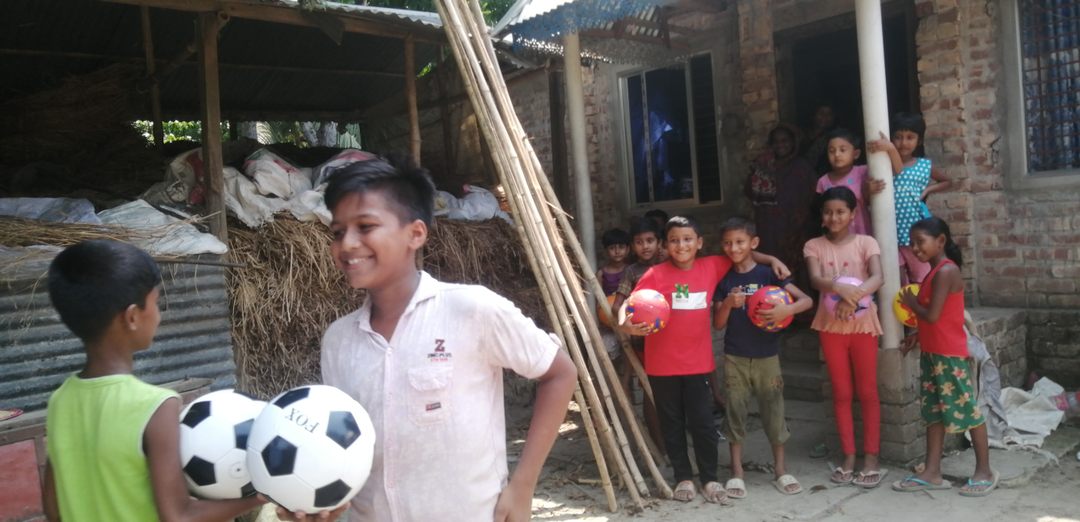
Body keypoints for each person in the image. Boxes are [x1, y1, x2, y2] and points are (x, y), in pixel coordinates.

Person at [312, 157, 577, 522]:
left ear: (415, 234)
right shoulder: (339, 340)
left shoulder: (471, 309)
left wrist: (524, 485)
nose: (348, 244)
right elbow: (344, 439)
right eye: (338, 232)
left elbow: (560, 373)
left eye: (366, 226)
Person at [42, 240, 265, 522]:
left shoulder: (60, 400)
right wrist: (259, 497)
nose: (158, 316)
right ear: (132, 317)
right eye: (155, 303)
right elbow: (179, 516)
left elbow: (53, 508)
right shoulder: (156, 406)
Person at [618, 216, 789, 504]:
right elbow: (627, 305)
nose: (681, 245)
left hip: (698, 364)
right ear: (665, 245)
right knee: (672, 423)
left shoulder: (712, 266)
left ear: (699, 243)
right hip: (661, 365)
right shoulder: (655, 274)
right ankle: (683, 477)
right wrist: (627, 325)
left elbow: (741, 253)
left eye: (687, 239)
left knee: (703, 424)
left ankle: (709, 478)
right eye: (674, 240)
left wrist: (771, 259)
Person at [893, 217, 998, 497]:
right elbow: (936, 319)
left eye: (920, 242)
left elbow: (932, 314)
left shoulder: (946, 271)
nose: (915, 248)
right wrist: (917, 335)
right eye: (912, 243)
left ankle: (985, 471)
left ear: (940, 241)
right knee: (934, 413)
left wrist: (910, 302)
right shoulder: (933, 272)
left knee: (968, 412)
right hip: (933, 354)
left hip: (950, 356)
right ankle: (932, 472)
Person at [713, 217, 813, 499]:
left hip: (767, 355)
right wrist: (728, 304)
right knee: (735, 410)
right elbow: (718, 324)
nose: (734, 248)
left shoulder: (769, 274)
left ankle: (780, 470)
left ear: (753, 243)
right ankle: (737, 472)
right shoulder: (725, 279)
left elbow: (807, 300)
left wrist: (786, 311)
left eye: (740, 242)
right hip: (735, 356)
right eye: (728, 243)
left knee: (773, 410)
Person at [803, 187, 886, 489]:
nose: (834, 217)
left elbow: (878, 277)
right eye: (828, 212)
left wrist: (853, 298)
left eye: (840, 211)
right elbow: (815, 280)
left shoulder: (867, 242)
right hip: (831, 328)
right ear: (822, 216)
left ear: (853, 214)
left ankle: (871, 458)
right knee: (841, 392)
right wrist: (839, 288)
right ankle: (849, 456)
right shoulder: (814, 245)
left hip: (863, 325)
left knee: (868, 391)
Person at [867, 112, 952, 285]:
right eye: (898, 137)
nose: (903, 143)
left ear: (919, 141)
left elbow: (947, 181)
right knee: (896, 280)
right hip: (889, 232)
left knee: (921, 277)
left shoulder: (924, 166)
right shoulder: (883, 165)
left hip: (914, 230)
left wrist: (928, 189)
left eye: (910, 137)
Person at [746, 124, 818, 288]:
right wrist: (758, 171)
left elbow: (814, 195)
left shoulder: (802, 167)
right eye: (776, 141)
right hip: (769, 227)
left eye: (785, 140)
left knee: (798, 267)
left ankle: (801, 301)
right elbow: (750, 192)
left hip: (797, 227)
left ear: (793, 142)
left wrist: (801, 220)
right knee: (772, 265)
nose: (780, 145)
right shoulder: (764, 166)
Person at [817, 128, 873, 236]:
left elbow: (893, 172)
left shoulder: (863, 172)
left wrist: (889, 148)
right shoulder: (823, 182)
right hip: (836, 237)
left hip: (862, 234)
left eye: (842, 150)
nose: (837, 154)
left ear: (856, 154)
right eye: (832, 151)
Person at [803, 104, 838, 174]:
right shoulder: (802, 135)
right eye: (821, 113)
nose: (825, 116)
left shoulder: (837, 137)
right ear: (813, 115)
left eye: (829, 114)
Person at [597, 228, 631, 296]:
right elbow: (599, 299)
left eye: (621, 247)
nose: (617, 251)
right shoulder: (601, 274)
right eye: (612, 248)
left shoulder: (631, 270)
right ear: (606, 251)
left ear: (627, 250)